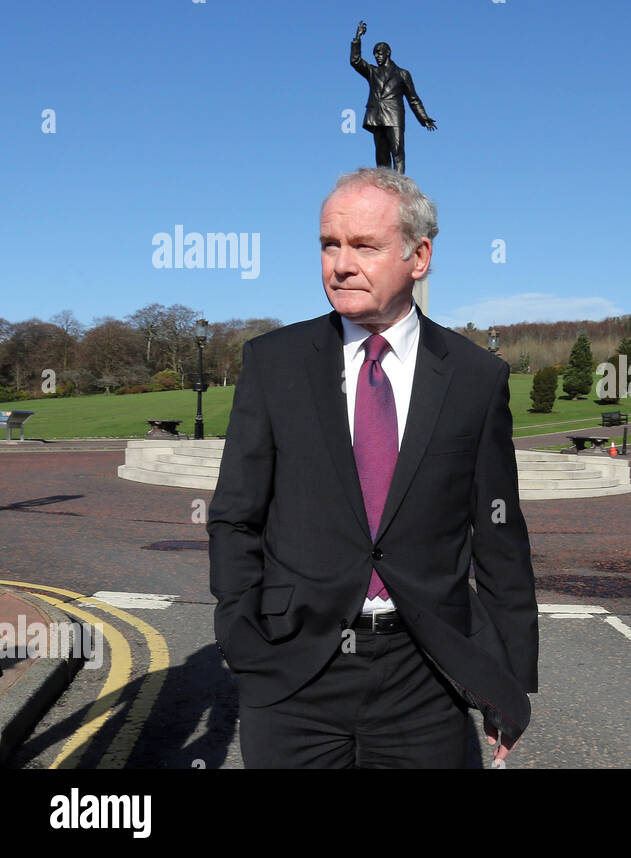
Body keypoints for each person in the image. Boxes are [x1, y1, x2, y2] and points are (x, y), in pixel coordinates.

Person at [208, 167, 538, 768]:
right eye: (330, 245)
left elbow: (499, 539)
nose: (340, 264)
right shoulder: (273, 363)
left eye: (364, 246)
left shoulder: (475, 378)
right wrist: (240, 633)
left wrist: (507, 679)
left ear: (419, 256)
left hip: (425, 675)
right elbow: (234, 515)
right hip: (292, 671)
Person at [350, 20, 436, 174]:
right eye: (375, 54)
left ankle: (399, 186)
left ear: (388, 52)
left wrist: (424, 118)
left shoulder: (402, 74)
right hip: (376, 117)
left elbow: (413, 99)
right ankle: (384, 188)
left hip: (394, 116)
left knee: (398, 153)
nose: (377, 56)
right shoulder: (372, 72)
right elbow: (355, 61)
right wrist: (357, 38)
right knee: (381, 156)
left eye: (379, 52)